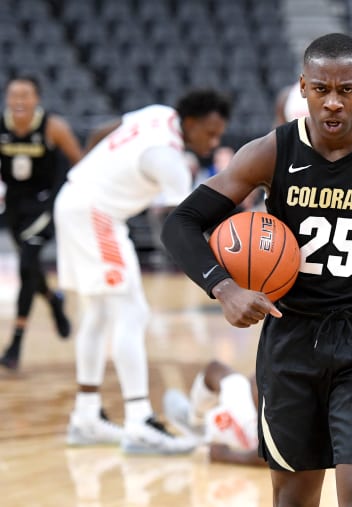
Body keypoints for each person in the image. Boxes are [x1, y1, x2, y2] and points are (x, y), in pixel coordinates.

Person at [161, 33, 352, 506]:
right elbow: (181, 224)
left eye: (345, 90)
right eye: (320, 89)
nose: (332, 103)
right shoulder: (272, 150)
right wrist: (224, 288)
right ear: (302, 88)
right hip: (292, 337)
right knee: (291, 499)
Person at [54, 89, 232, 454]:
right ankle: (139, 421)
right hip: (95, 213)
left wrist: (95, 171)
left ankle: (86, 415)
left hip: (73, 199)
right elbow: (179, 226)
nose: (214, 142)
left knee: (100, 314)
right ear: (192, 124)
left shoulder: (157, 113)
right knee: (131, 312)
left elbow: (99, 132)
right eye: (210, 134)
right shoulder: (169, 160)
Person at [0, 75, 83, 370]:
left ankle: (15, 344)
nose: (19, 101)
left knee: (25, 266)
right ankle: (53, 301)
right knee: (32, 268)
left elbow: (80, 161)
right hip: (14, 207)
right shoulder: (2, 126)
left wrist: (71, 198)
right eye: (14, 95)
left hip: (45, 205)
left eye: (26, 95)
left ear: (37, 99)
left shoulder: (53, 127)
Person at [163, 360, 265, 467]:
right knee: (215, 369)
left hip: (257, 433)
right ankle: (196, 420)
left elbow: (272, 455)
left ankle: (199, 427)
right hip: (255, 417)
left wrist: (226, 455)